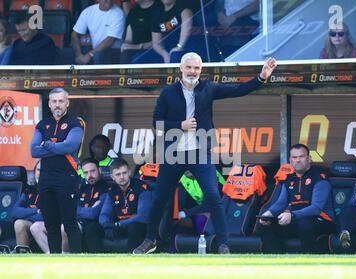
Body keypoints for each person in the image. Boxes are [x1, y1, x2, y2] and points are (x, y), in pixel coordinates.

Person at [133, 52, 277, 254]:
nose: (193, 72)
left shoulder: (208, 88)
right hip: (173, 154)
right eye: (189, 67)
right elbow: (156, 123)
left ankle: (223, 243)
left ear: (201, 70)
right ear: (181, 68)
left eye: (197, 68)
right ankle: (150, 240)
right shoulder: (168, 93)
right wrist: (180, 125)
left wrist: (261, 77)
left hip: (200, 152)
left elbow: (238, 90)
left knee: (212, 196)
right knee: (159, 198)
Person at [30, 88, 83, 254]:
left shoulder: (75, 123)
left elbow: (70, 146)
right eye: (54, 101)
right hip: (46, 179)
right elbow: (33, 151)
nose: (57, 104)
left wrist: (48, 144)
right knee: (51, 224)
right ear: (49, 104)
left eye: (61, 101)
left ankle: (77, 260)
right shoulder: (42, 124)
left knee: (69, 223)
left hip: (67, 178)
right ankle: (54, 259)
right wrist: (58, 147)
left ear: (67, 103)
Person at [257, 144, 336, 253]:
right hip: (296, 219)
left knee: (304, 223)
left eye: (301, 157)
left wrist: (292, 215)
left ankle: (308, 258)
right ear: (290, 160)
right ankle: (277, 259)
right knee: (264, 225)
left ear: (309, 159)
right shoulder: (289, 178)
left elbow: (316, 208)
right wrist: (268, 214)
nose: (298, 160)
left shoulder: (319, 177)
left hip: (322, 220)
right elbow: (281, 203)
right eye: (294, 157)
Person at [87, 158, 149, 252]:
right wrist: (106, 225)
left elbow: (143, 217)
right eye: (118, 174)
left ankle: (130, 259)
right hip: (118, 226)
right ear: (112, 177)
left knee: (135, 227)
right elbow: (104, 215)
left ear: (129, 172)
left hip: (135, 226)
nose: (121, 177)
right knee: (91, 228)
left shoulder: (141, 187)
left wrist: (119, 224)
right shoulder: (112, 191)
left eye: (124, 173)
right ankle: (99, 259)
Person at [71, 0, 125, 65]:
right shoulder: (88, 11)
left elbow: (110, 40)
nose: (108, 1)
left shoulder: (118, 13)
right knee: (71, 53)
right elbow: (74, 34)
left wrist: (90, 54)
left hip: (114, 51)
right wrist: (78, 54)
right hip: (96, 50)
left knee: (99, 55)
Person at [11, 160, 43, 250]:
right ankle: (23, 253)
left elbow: (46, 216)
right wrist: (35, 211)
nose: (40, 174)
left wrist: (27, 214)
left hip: (46, 226)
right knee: (19, 223)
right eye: (39, 170)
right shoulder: (29, 189)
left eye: (44, 171)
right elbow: (14, 212)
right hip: (31, 223)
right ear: (34, 172)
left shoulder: (53, 191)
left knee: (36, 226)